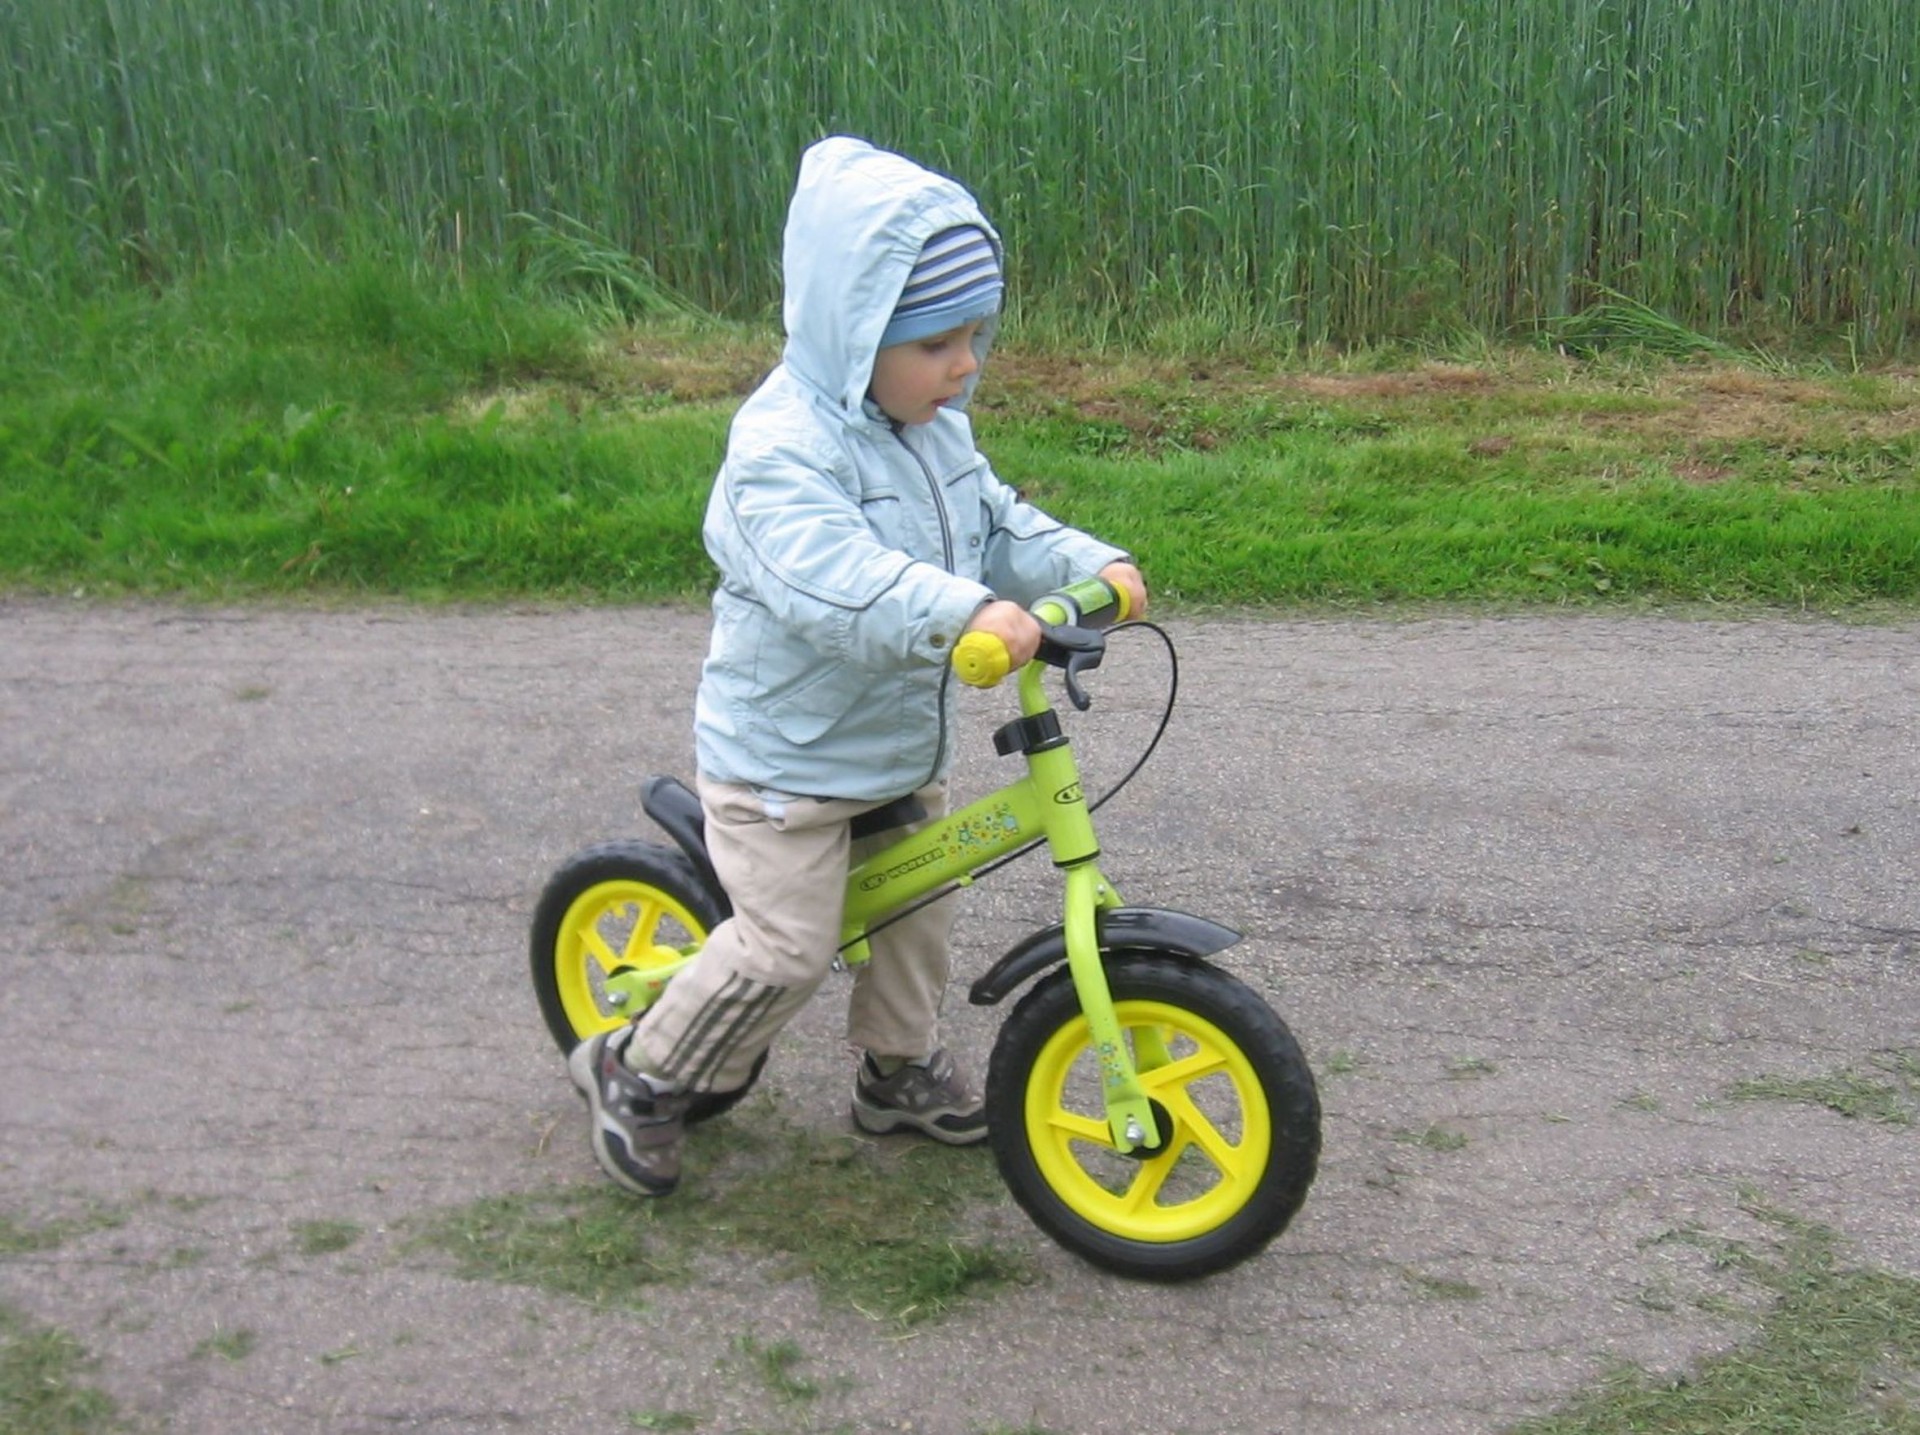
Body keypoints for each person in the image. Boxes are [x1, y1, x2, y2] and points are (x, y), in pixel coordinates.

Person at [570, 135, 1148, 1197]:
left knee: (918, 908)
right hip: (785, 763)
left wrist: (1083, 563)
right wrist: (965, 609)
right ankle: (636, 1070)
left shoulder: (931, 430)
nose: (965, 363)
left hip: (885, 747)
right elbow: (836, 580)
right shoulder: (778, 455)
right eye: (938, 343)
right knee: (788, 947)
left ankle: (898, 1070)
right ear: (857, 334)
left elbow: (996, 521)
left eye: (975, 335)